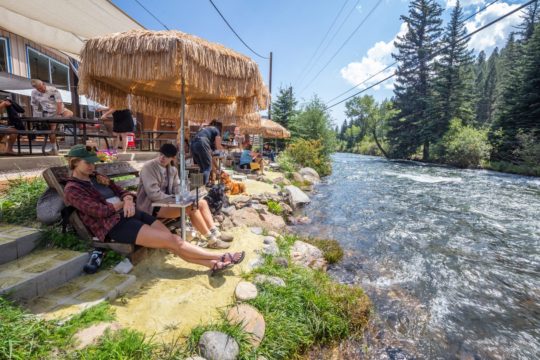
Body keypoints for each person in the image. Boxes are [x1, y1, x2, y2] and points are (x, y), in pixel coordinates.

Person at [63, 144, 244, 275]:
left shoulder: (97, 177)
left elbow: (124, 191)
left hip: (132, 213)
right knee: (174, 241)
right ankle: (220, 256)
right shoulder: (73, 189)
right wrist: (122, 203)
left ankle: (212, 264)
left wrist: (126, 199)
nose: (91, 165)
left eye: (93, 162)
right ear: (74, 163)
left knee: (172, 241)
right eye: (87, 163)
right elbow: (99, 211)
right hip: (114, 225)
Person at [136, 143, 234, 249]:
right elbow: (153, 194)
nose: (162, 158)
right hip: (150, 206)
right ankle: (211, 240)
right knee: (191, 207)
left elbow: (177, 188)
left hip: (166, 203)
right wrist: (177, 199)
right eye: (161, 154)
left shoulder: (172, 170)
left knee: (202, 202)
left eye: (166, 156)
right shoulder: (149, 167)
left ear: (173, 158)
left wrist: (186, 196)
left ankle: (215, 232)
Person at [30, 79, 73, 155]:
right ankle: (54, 149)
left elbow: (59, 103)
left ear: (43, 84)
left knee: (70, 114)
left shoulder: (53, 90)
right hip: (48, 112)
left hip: (59, 110)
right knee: (51, 132)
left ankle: (61, 125)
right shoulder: (34, 93)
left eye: (41, 88)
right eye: (38, 89)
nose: (40, 90)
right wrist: (35, 117)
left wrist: (59, 116)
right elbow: (34, 105)